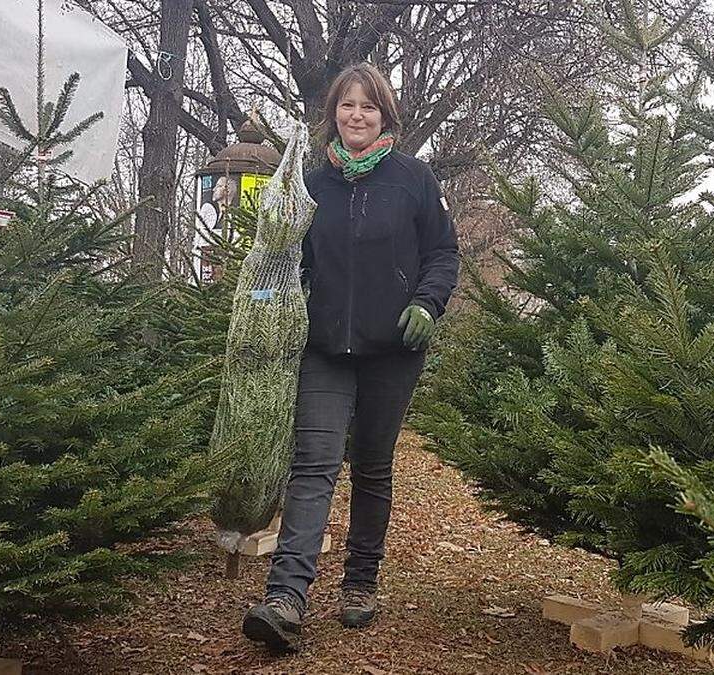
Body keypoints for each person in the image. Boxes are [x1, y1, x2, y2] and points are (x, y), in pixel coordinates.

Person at [241, 63, 459, 652]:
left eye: (368, 107)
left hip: (394, 349)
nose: (356, 116)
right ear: (332, 114)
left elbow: (443, 254)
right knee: (312, 464)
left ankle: (361, 581)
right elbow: (286, 263)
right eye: (346, 106)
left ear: (385, 115)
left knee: (371, 466)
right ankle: (286, 597)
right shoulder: (312, 186)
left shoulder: (414, 180)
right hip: (325, 348)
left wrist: (427, 304)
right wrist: (260, 299)